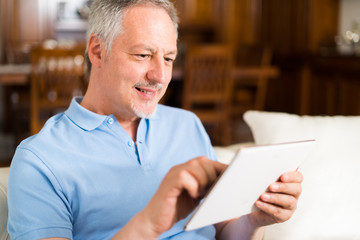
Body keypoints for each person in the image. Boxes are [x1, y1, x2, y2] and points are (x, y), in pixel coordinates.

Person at [7, 0, 303, 239]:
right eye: (143, 55)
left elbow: (225, 230)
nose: (160, 76)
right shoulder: (39, 159)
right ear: (97, 51)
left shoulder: (187, 125)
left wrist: (254, 220)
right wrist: (148, 225)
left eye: (169, 58)